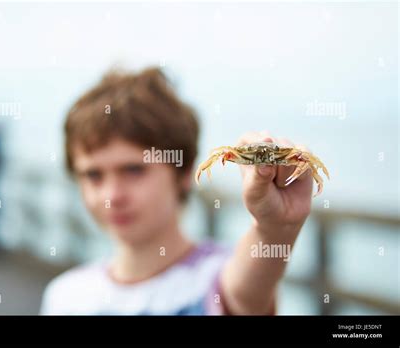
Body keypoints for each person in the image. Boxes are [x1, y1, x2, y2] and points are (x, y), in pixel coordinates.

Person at [40, 67, 313, 315]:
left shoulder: (216, 281)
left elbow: (246, 291)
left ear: (184, 172)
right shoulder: (65, 297)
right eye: (93, 175)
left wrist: (274, 228)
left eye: (134, 170)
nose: (112, 196)